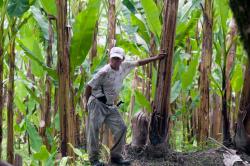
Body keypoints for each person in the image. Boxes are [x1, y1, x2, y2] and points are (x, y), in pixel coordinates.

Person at [84, 47, 165, 166]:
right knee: (93, 131)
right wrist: (87, 104)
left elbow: (140, 62)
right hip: (97, 104)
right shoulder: (103, 72)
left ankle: (116, 157)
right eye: (113, 58)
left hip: (110, 105)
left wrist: (156, 58)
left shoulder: (125, 66)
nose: (115, 61)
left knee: (121, 128)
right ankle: (94, 160)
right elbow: (88, 86)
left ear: (122, 60)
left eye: (118, 59)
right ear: (110, 58)